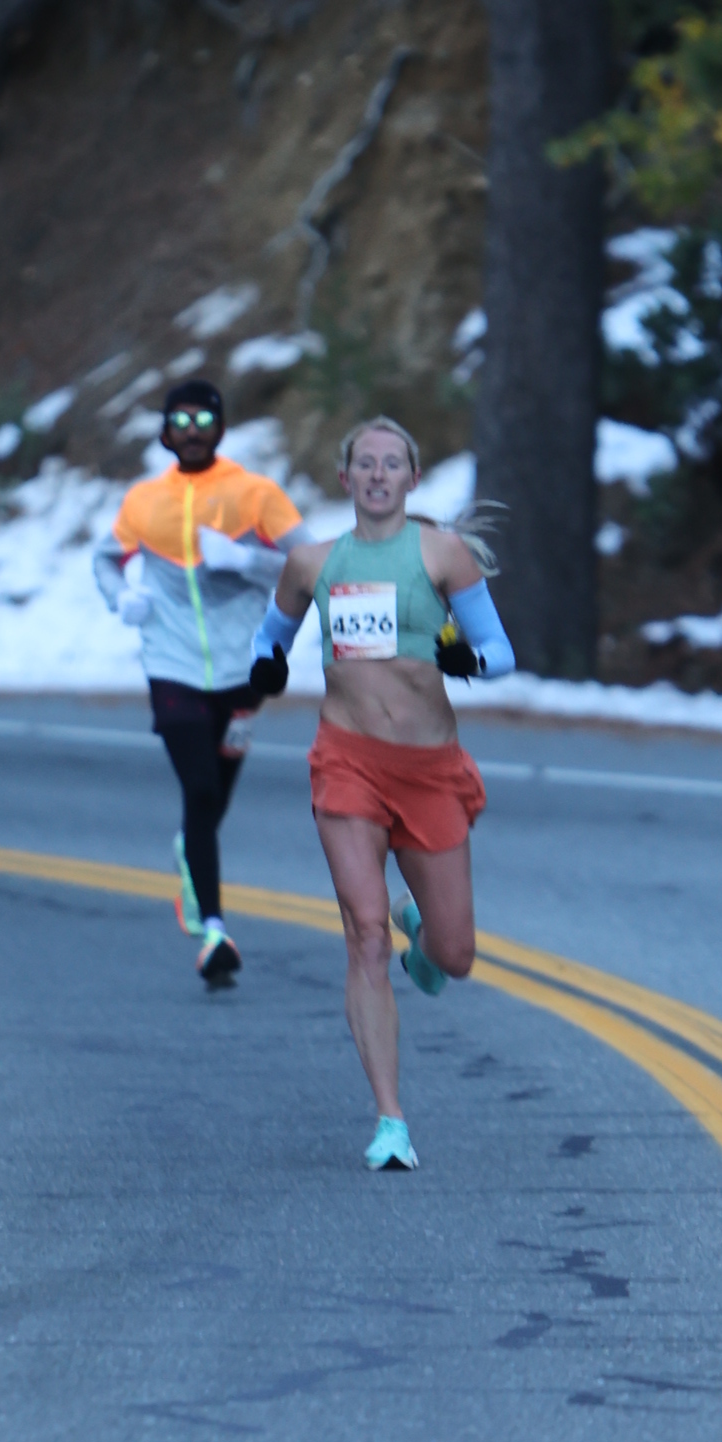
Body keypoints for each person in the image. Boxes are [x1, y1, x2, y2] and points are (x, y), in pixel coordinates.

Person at [249, 413, 516, 1167]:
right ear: (345, 478)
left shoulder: (442, 555)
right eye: (364, 463)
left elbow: (500, 650)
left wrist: (468, 661)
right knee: (364, 935)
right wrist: (268, 664)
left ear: (412, 478)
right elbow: (271, 637)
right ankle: (390, 1121)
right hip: (348, 762)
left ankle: (420, 931)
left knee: (455, 955)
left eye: (391, 463)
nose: (376, 474)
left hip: (428, 768)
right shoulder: (312, 564)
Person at [94, 381, 304, 988]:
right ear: (164, 432)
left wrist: (247, 561)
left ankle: (191, 851)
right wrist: (122, 597)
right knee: (200, 786)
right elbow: (105, 559)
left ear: (221, 428)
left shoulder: (255, 494)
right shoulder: (143, 501)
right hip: (172, 666)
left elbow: (311, 563)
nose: (192, 431)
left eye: (203, 419)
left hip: (244, 672)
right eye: (180, 421)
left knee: (211, 803)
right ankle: (214, 931)